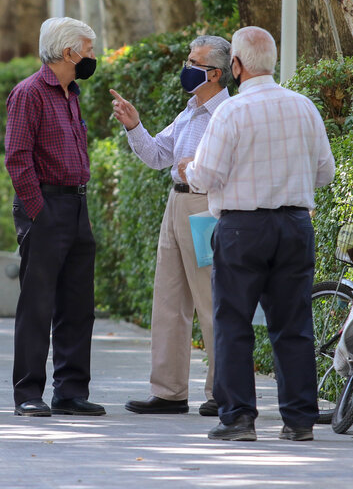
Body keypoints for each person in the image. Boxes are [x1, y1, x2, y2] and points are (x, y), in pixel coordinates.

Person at [181, 26, 335, 441]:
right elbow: (325, 171)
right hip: (295, 225)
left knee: (233, 323)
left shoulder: (231, 111)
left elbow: (206, 175)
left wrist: (188, 169)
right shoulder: (304, 106)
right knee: (294, 324)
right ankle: (299, 421)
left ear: (236, 65)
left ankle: (238, 419)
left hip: (242, 228)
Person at [111, 35, 232, 418]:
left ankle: (223, 392)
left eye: (194, 63)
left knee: (211, 301)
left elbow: (232, 165)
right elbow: (158, 156)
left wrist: (197, 166)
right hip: (175, 203)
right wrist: (135, 126)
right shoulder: (190, 111)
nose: (186, 68)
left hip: (207, 207)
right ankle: (168, 392)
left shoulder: (227, 113)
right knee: (168, 300)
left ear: (215, 73)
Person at [5, 16, 105, 417]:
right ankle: (28, 393)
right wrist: (38, 212)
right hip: (45, 205)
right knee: (38, 304)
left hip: (76, 205)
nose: (93, 56)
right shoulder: (29, 93)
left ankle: (70, 391)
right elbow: (17, 158)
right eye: (89, 49)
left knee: (78, 305)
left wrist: (81, 209)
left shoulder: (71, 93)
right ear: (69, 52)